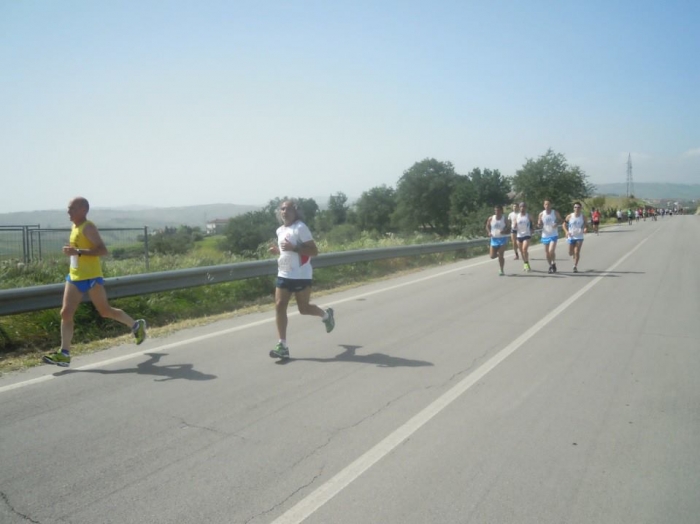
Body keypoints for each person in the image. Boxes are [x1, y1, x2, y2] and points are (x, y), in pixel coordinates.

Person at [43, 197, 147, 367]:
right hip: (75, 276)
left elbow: (102, 250)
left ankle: (136, 325)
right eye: (68, 209)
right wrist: (72, 252)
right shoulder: (74, 226)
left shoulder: (88, 227)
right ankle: (64, 354)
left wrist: (76, 251)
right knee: (66, 313)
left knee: (105, 311)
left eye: (72, 209)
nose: (68, 212)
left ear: (83, 210)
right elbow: (78, 251)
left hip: (91, 278)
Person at [268, 199, 335, 359]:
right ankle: (282, 345)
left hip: (301, 275)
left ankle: (326, 315)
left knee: (303, 309)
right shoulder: (280, 230)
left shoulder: (300, 227)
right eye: (282, 209)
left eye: (289, 209)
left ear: (295, 211)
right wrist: (278, 251)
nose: (285, 211)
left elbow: (314, 251)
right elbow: (287, 252)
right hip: (284, 273)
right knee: (279, 305)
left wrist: (295, 248)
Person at [537, 200, 563, 273]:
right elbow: (539, 223)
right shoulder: (541, 214)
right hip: (545, 235)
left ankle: (553, 262)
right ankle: (551, 265)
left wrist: (556, 223)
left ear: (551, 205)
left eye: (548, 204)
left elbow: (561, 220)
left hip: (553, 234)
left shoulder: (554, 212)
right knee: (547, 253)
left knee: (551, 251)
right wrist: (539, 224)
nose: (547, 206)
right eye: (545, 204)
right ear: (544, 205)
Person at [485, 205, 510, 276]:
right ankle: (499, 256)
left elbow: (508, 227)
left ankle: (501, 270)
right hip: (494, 239)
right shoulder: (491, 218)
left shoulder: (504, 218)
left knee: (501, 255)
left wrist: (504, 231)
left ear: (501, 211)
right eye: (495, 210)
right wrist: (489, 232)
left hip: (502, 238)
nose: (497, 212)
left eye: (498, 210)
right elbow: (487, 226)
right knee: (492, 256)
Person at [563, 202, 587, 273]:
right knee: (570, 253)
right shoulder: (569, 216)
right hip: (571, 236)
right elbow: (564, 225)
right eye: (575, 207)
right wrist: (566, 232)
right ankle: (573, 254)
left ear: (581, 208)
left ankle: (575, 266)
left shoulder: (583, 217)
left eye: (578, 207)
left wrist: (585, 228)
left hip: (579, 236)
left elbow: (586, 225)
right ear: (573, 208)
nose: (577, 208)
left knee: (577, 252)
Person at [514, 202, 533, 272]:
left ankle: (526, 264)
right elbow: (515, 224)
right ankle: (526, 263)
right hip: (519, 235)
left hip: (527, 235)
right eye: (521, 207)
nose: (522, 208)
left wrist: (532, 229)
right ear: (519, 208)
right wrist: (514, 226)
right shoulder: (517, 216)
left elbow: (532, 223)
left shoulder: (528, 216)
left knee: (524, 249)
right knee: (521, 251)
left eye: (524, 207)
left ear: (525, 208)